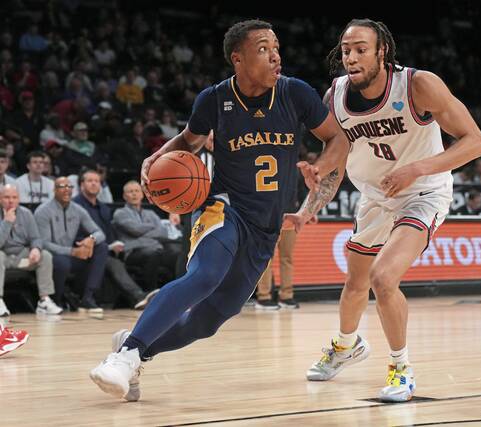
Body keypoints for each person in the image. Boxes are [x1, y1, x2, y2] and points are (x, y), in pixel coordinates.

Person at [89, 19, 349, 401]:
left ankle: (135, 348)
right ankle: (124, 357)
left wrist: (320, 169)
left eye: (276, 46)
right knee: (205, 275)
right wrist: (159, 156)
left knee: (210, 320)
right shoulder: (214, 99)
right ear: (238, 59)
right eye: (263, 48)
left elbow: (338, 139)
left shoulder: (296, 94)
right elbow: (189, 141)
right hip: (224, 208)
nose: (275, 54)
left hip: (267, 226)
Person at [294, 19, 481, 402]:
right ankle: (346, 345)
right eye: (346, 50)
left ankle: (401, 370)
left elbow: (475, 142)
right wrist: (310, 199)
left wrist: (419, 167)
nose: (351, 57)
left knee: (384, 278)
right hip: (375, 198)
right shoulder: (335, 96)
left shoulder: (418, 86)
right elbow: (337, 155)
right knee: (354, 285)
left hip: (423, 192)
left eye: (361, 49)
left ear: (382, 51)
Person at [73, 170, 158, 310]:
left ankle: (148, 295)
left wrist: (114, 244)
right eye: (90, 181)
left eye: (97, 181)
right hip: (84, 249)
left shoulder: (104, 208)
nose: (94, 184)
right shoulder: (76, 206)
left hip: (105, 250)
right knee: (113, 263)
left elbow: (109, 233)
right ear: (81, 185)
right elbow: (75, 234)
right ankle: (139, 296)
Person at [34, 176, 108, 313]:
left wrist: (91, 239)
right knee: (62, 262)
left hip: (73, 255)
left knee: (102, 247)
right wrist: (72, 251)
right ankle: (56, 300)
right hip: (52, 256)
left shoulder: (78, 209)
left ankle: (88, 298)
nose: (67, 190)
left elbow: (100, 233)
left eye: (69, 187)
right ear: (54, 190)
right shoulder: (43, 211)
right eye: (62, 187)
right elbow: (43, 243)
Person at [0, 184, 62, 317]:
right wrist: (6, 223)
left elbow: (36, 238)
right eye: (6, 197)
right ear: (0, 199)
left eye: (14, 197)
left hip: (20, 258)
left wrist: (36, 249)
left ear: (18, 199)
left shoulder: (26, 214)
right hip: (3, 257)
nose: (11, 201)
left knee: (45, 256)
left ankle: (44, 300)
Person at [112, 181, 180, 291]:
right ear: (124, 196)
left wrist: (143, 232)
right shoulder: (120, 213)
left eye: (137, 191)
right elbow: (135, 230)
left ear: (142, 194)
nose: (134, 194)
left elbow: (162, 232)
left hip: (156, 248)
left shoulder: (150, 213)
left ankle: (175, 291)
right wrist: (153, 226)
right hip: (133, 251)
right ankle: (150, 291)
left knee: (176, 254)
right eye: (130, 191)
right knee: (153, 254)